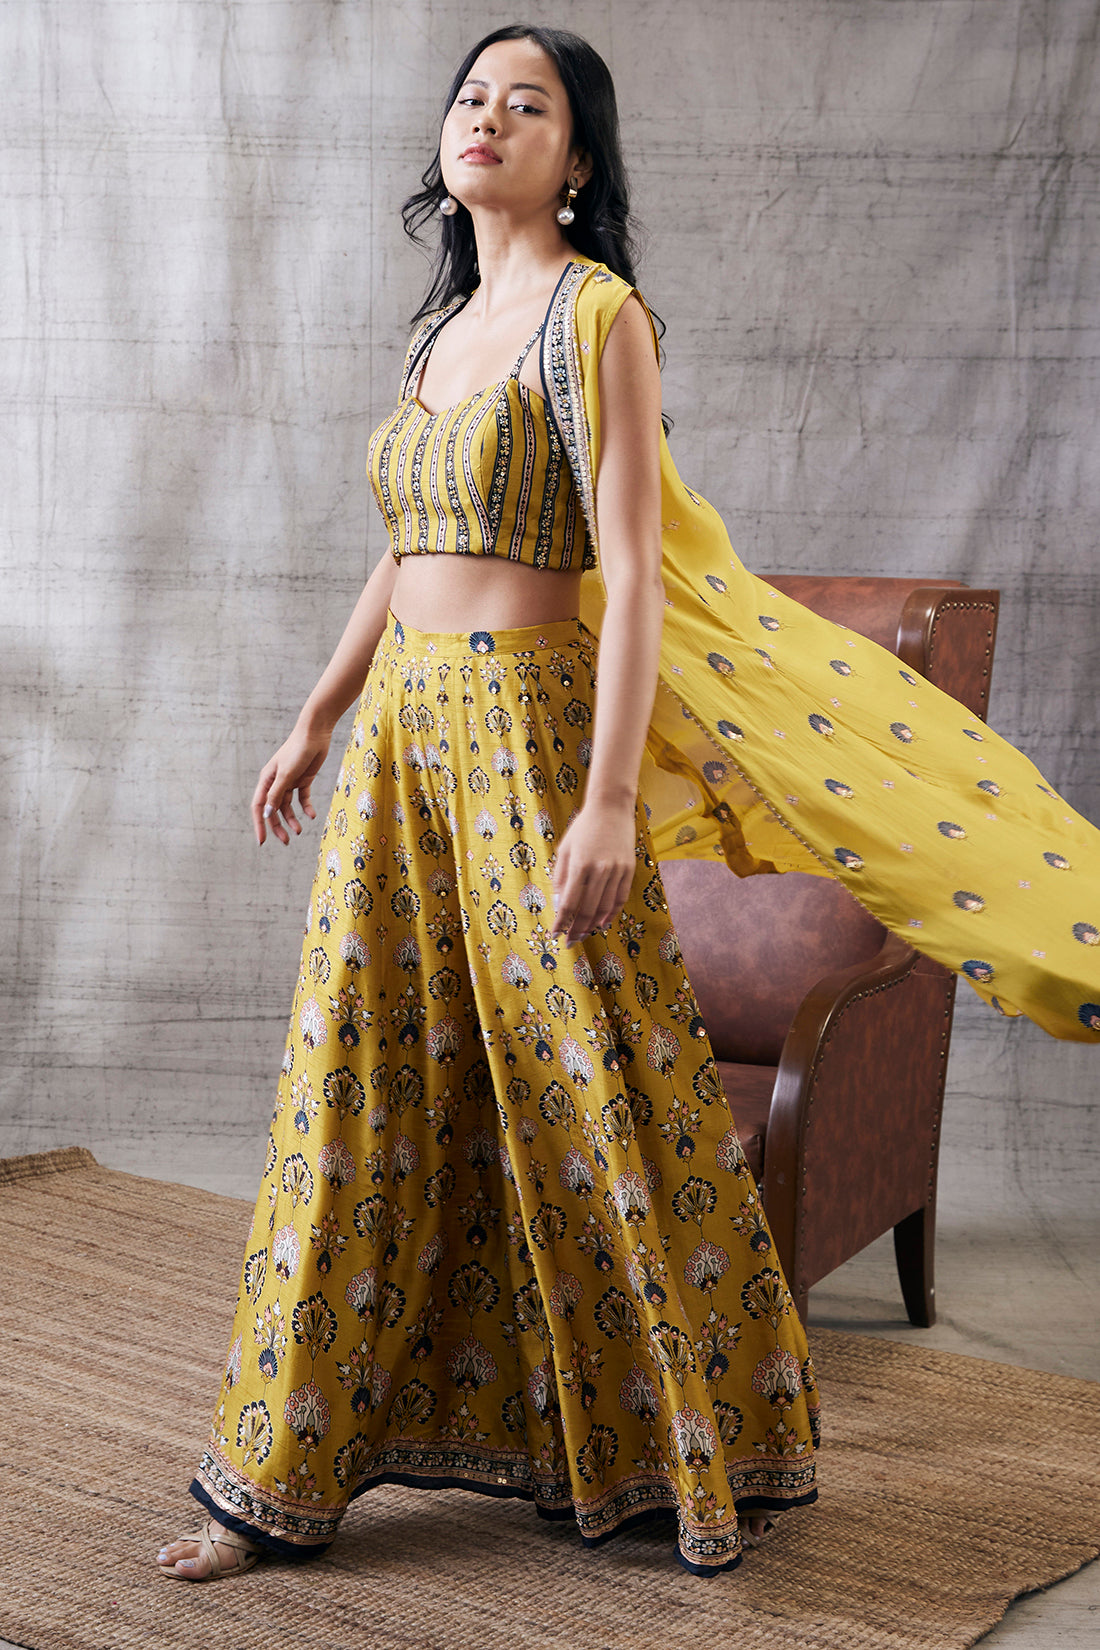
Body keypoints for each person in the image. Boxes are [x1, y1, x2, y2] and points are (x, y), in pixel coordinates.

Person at [157, 22, 1099, 1584]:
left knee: (592, 1076)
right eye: (472, 96)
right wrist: (319, 715)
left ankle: (681, 1446)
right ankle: (279, 1474)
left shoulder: (599, 316)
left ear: (577, 160)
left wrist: (605, 801)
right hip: (398, 749)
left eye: (526, 105)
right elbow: (405, 547)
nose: (487, 117)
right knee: (362, 1077)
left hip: (529, 735)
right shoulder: (440, 334)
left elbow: (639, 572)